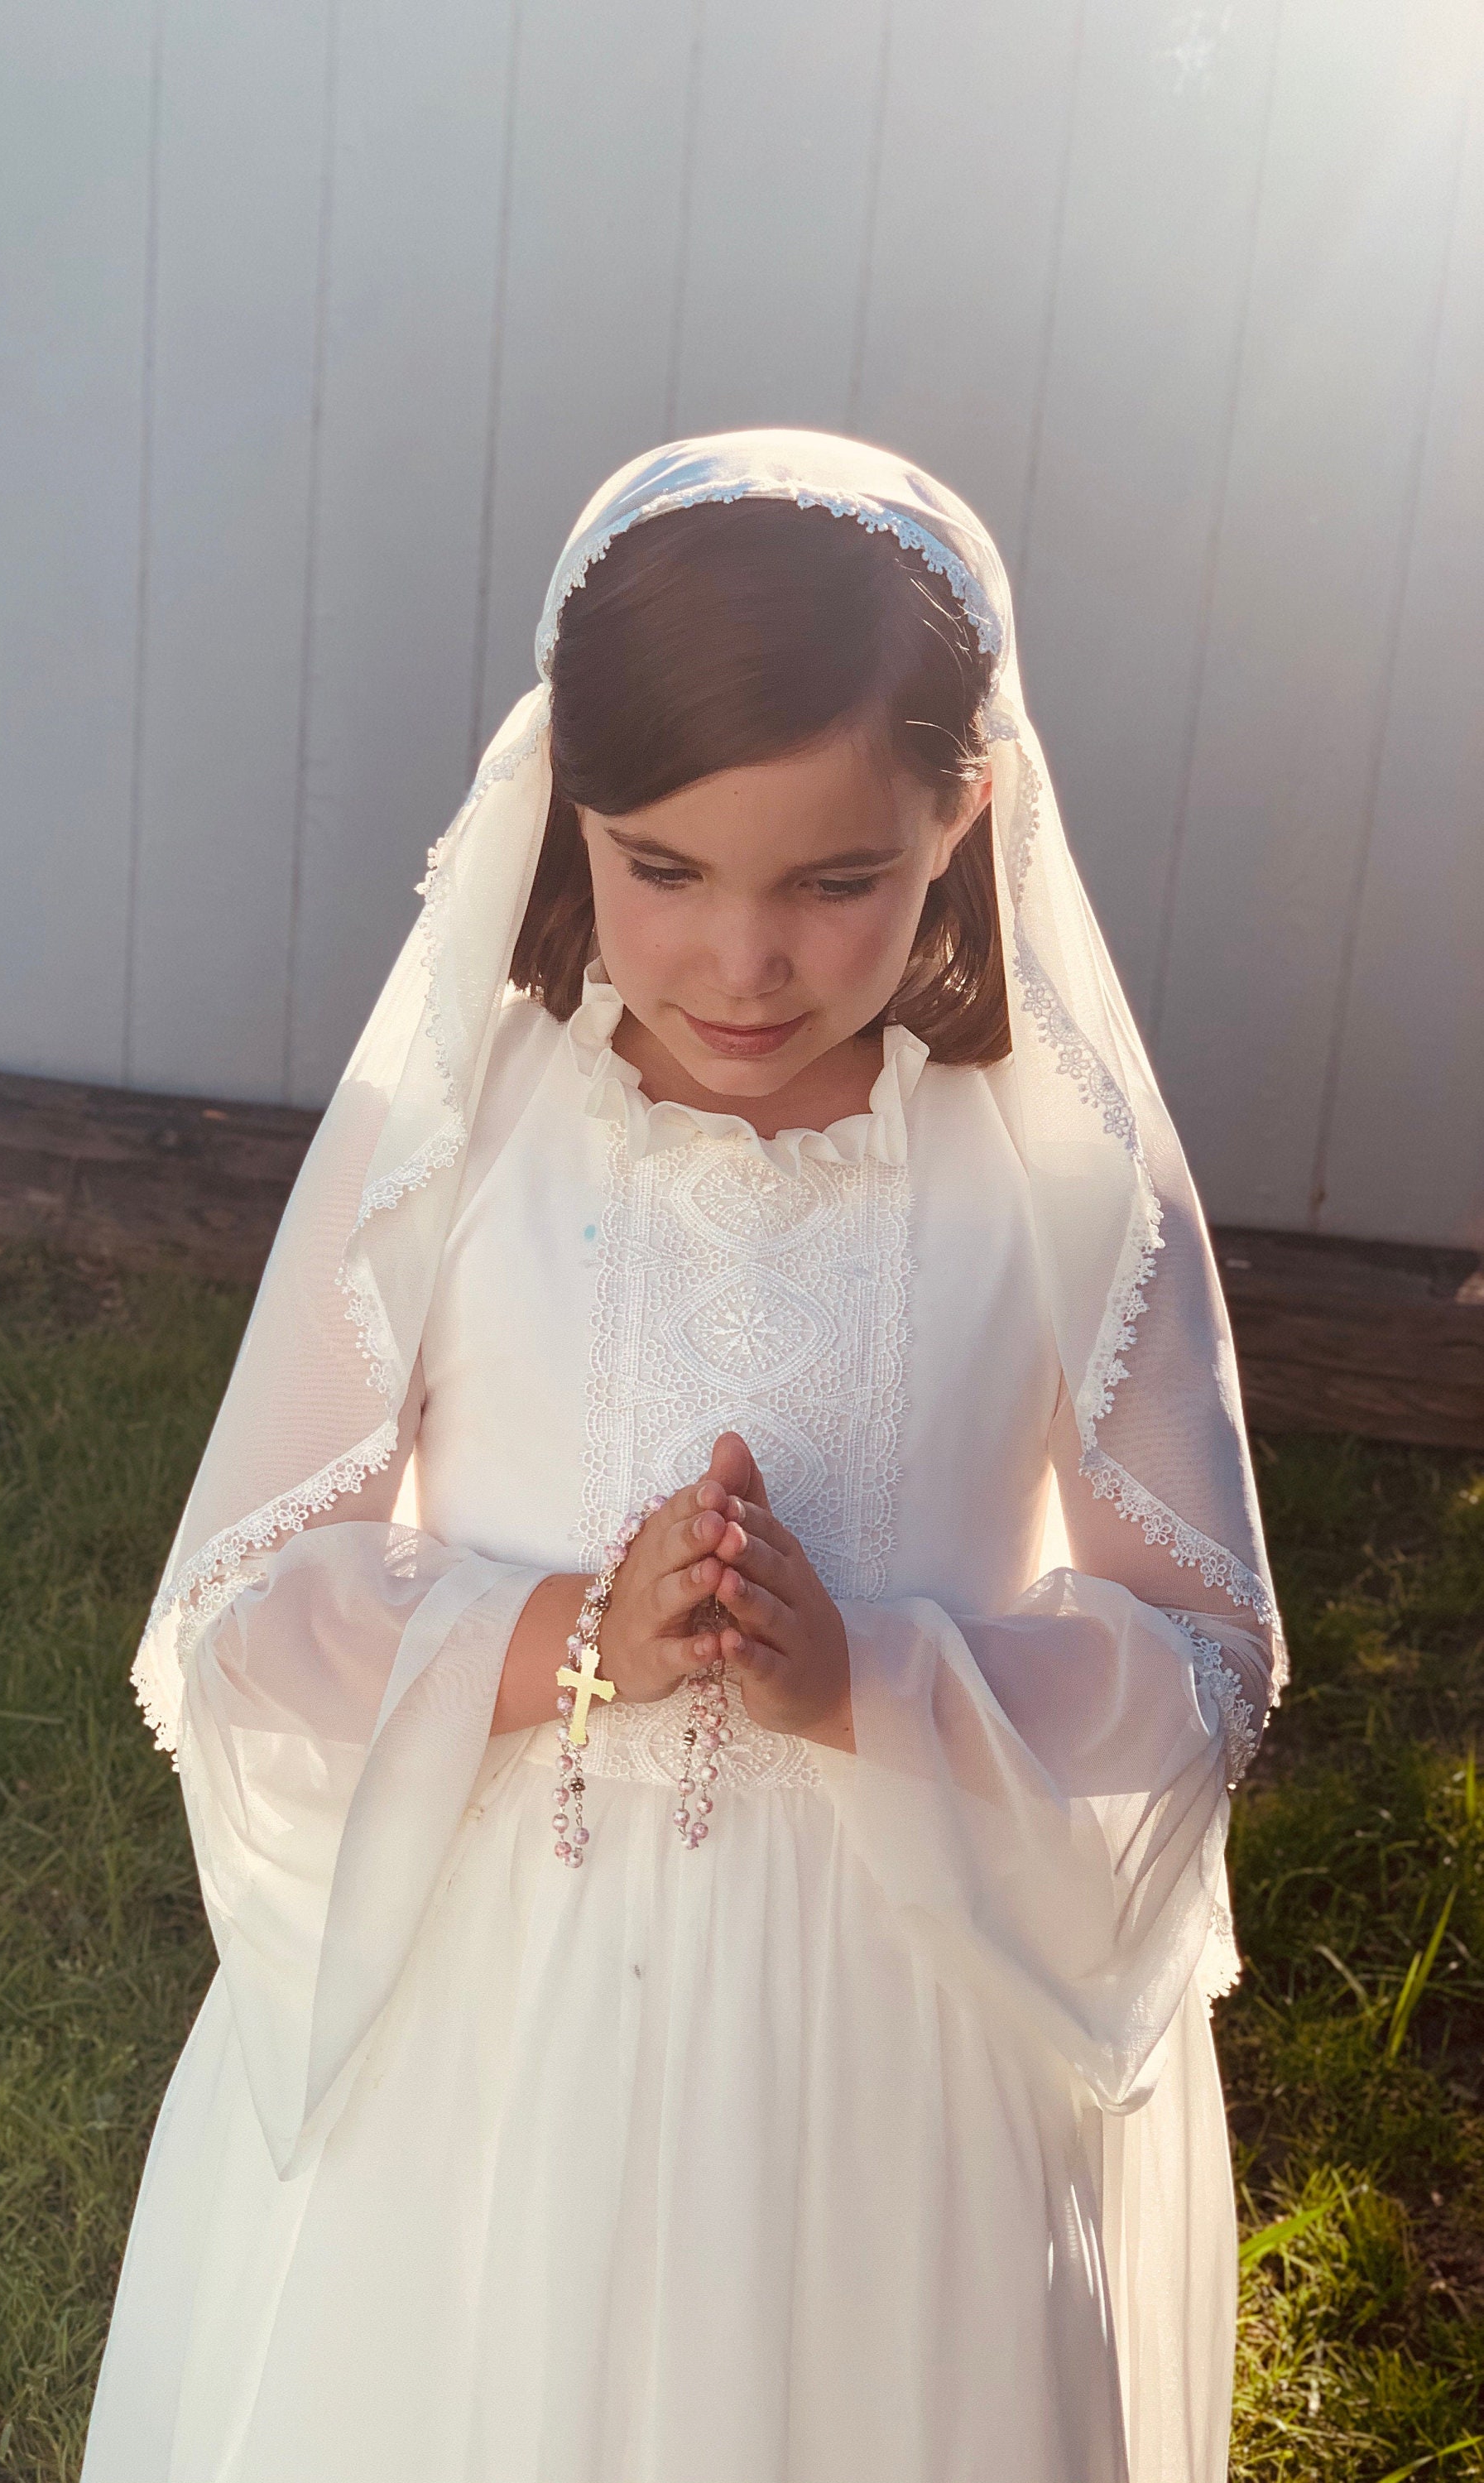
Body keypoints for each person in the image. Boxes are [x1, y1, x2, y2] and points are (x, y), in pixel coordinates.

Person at [80, 432, 1279, 2483]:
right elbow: (240, 1614)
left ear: (959, 817)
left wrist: (875, 1676)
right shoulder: (456, 1145)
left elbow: (1205, 1667)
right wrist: (568, 1632)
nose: (747, 961)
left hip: (905, 2054)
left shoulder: (1064, 1189)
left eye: (837, 881)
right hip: (501, 2034)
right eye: (666, 872)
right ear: (572, 817)